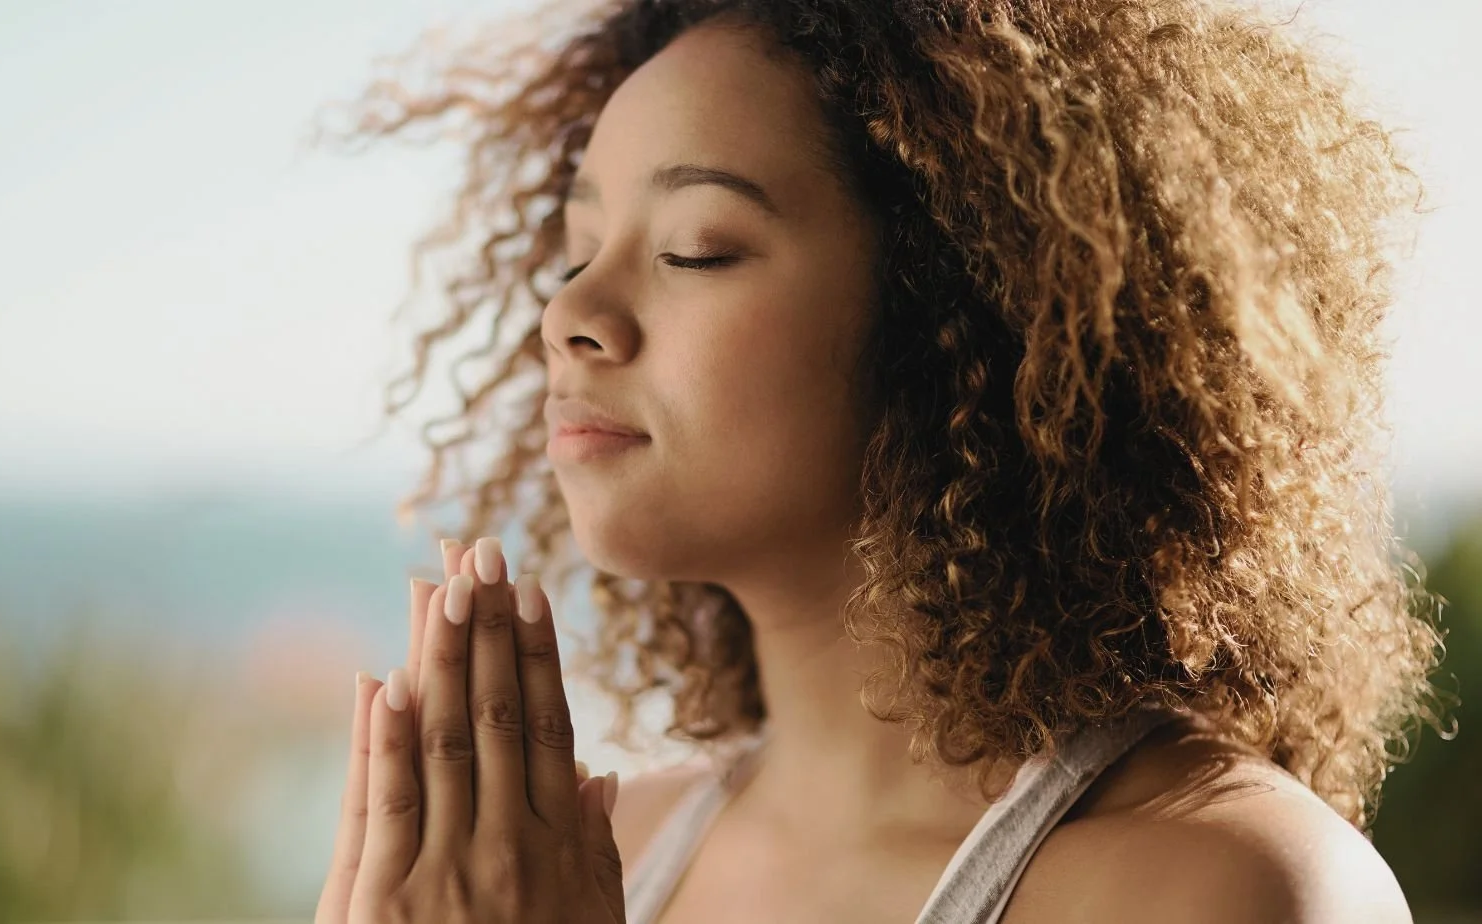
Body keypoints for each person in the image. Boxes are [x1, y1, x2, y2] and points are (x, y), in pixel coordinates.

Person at [311, 1, 1448, 921]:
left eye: (693, 251)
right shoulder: (590, 852)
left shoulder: (1218, 887)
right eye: (572, 251)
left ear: (961, 303)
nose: (572, 311)